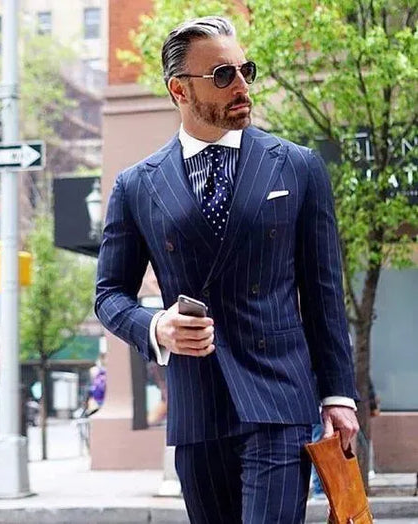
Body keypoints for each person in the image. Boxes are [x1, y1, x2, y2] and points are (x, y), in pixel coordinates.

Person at [95, 16, 359, 523]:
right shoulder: (136, 185)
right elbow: (109, 294)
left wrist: (338, 394)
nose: (241, 86)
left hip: (280, 400)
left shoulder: (298, 166)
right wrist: (157, 326)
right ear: (179, 90)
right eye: (222, 75)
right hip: (199, 407)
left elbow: (323, 292)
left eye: (245, 70)